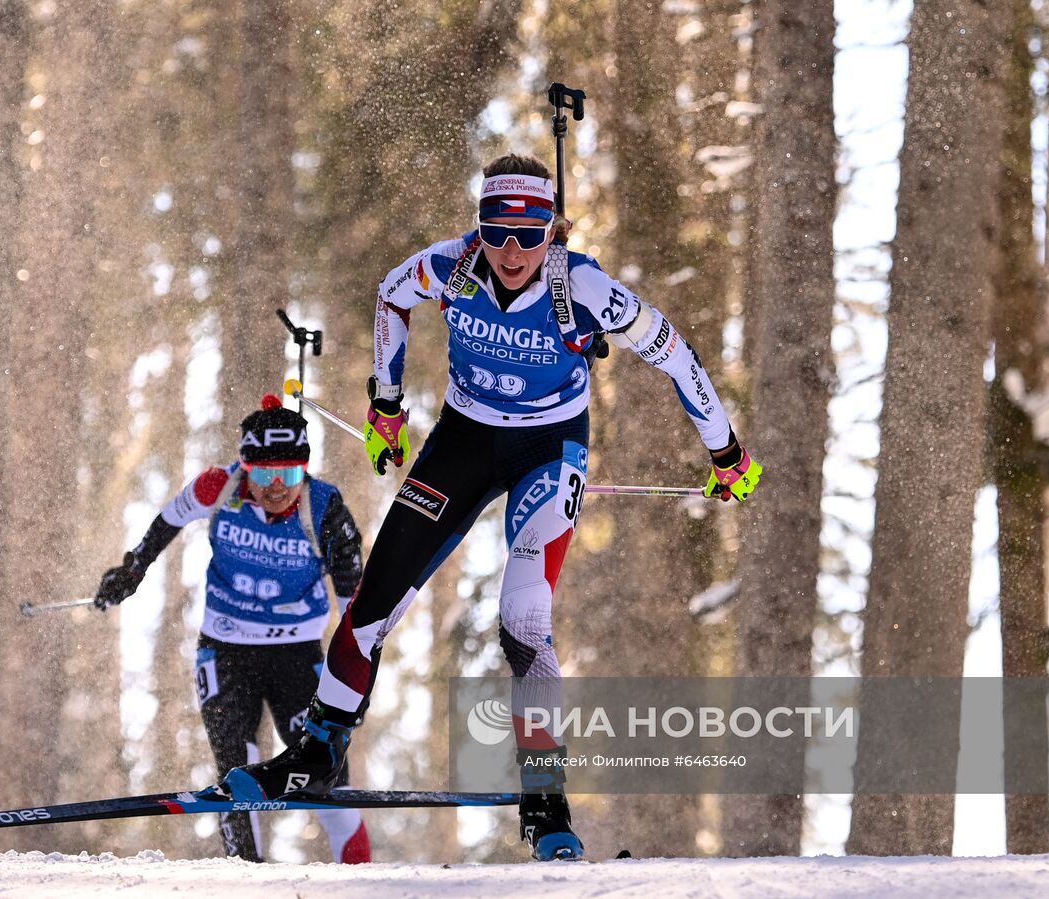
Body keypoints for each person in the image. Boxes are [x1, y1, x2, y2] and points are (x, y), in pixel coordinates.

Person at [222, 154, 763, 861]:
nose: (511, 251)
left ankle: (546, 797)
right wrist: (385, 406)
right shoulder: (452, 267)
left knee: (523, 618)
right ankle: (316, 751)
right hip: (465, 440)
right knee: (371, 603)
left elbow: (676, 354)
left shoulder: (585, 287)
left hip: (549, 448)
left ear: (552, 231)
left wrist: (726, 453)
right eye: (496, 230)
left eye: (530, 233)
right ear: (477, 226)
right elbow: (391, 294)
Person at [93, 394, 372, 864]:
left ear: (305, 470)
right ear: (245, 469)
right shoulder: (217, 487)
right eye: (264, 475)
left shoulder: (325, 509)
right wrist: (132, 570)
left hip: (297, 654)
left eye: (289, 474)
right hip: (225, 650)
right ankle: (248, 883)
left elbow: (355, 608)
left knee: (326, 777)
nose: (277, 487)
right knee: (234, 770)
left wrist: (355, 685)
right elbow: (167, 521)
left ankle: (361, 881)